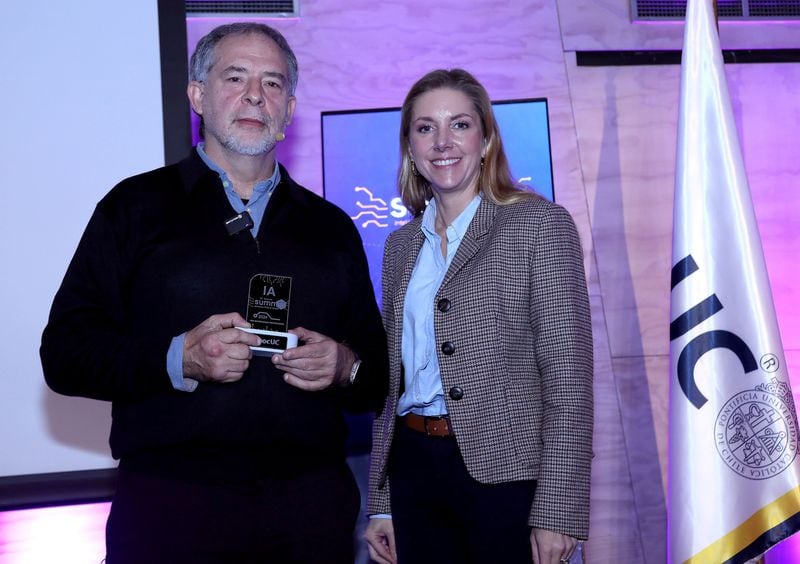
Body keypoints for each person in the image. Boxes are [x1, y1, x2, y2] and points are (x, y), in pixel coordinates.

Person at [40, 22, 388, 564]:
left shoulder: (332, 227)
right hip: (170, 509)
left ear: (289, 110)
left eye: (273, 84)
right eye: (236, 77)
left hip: (311, 510)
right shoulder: (133, 207)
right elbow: (63, 354)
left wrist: (345, 366)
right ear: (197, 95)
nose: (255, 94)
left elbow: (379, 374)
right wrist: (177, 358)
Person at [364, 69, 594, 564]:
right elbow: (392, 384)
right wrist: (381, 501)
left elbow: (568, 379)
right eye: (425, 128)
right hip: (414, 472)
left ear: (486, 138)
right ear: (409, 145)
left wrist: (558, 509)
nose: (442, 142)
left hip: (510, 479)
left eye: (460, 125)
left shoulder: (538, 225)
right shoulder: (399, 246)